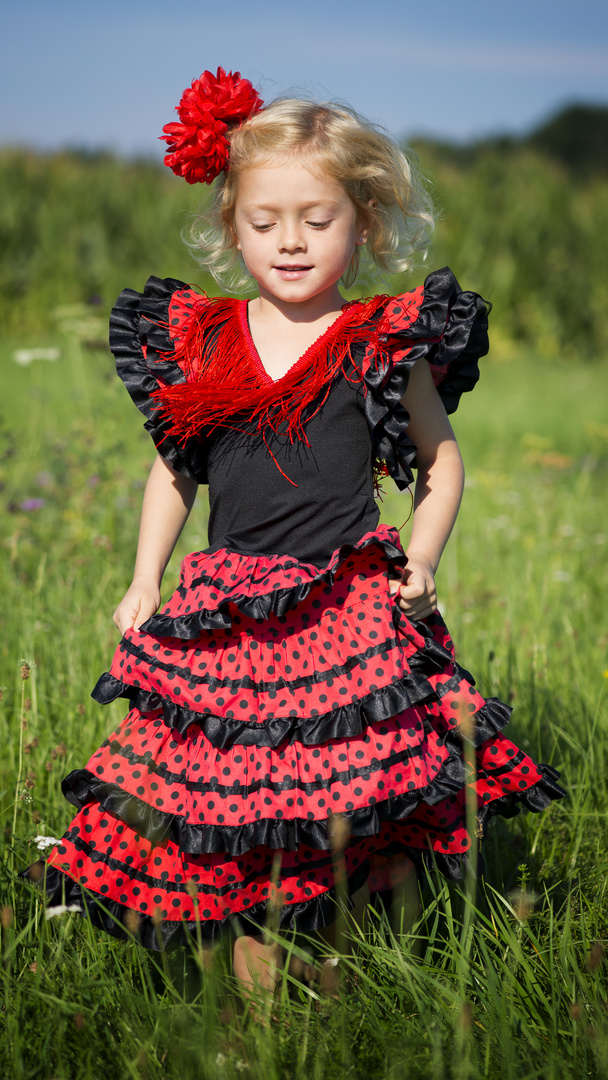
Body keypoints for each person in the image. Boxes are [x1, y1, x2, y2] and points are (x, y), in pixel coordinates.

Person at [36, 68, 564, 994]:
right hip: (226, 609)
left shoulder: (380, 341)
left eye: (316, 221)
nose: (289, 241)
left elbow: (442, 465)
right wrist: (144, 576)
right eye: (264, 221)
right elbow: (175, 470)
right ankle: (256, 966)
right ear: (231, 225)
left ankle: (350, 935)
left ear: (363, 223)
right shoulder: (200, 338)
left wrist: (424, 555)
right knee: (235, 794)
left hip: (345, 599)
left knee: (351, 783)